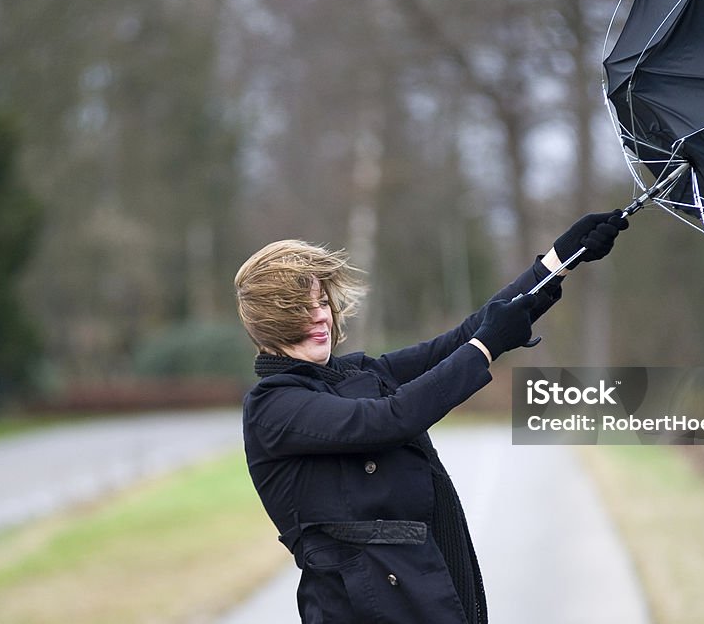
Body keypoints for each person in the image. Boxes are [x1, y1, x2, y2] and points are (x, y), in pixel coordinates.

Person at [234, 211, 628, 624]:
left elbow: (459, 340)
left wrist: (557, 262)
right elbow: (389, 419)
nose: (321, 316)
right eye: (300, 309)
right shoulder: (273, 407)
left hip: (423, 592)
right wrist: (486, 347)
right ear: (269, 321)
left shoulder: (354, 373)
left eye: (321, 302)